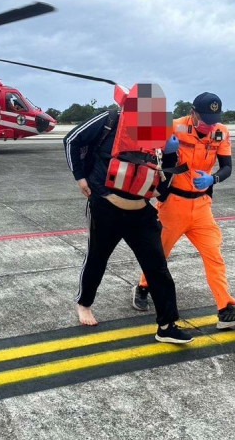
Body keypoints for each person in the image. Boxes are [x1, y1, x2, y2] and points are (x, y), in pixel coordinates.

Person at [64, 108, 193, 344]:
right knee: (97, 258)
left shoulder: (159, 130)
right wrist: (79, 176)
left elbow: (163, 184)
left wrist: (172, 154)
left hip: (140, 212)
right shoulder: (110, 120)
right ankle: (84, 303)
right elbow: (72, 139)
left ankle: (166, 325)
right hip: (105, 207)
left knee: (157, 266)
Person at [133, 92, 235, 330]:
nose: (210, 125)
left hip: (201, 206)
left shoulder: (221, 132)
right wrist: (167, 150)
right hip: (174, 205)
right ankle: (143, 286)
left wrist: (213, 179)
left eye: (214, 119)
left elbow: (227, 166)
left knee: (214, 256)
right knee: (159, 254)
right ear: (193, 112)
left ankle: (226, 309)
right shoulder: (174, 127)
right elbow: (143, 145)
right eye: (206, 119)